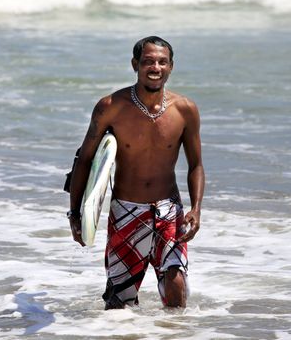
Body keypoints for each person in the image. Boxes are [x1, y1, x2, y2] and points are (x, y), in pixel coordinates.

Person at [67, 36, 204, 309]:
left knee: (176, 291)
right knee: (120, 303)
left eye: (162, 62)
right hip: (126, 211)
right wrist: (76, 213)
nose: (155, 67)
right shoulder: (111, 107)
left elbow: (196, 165)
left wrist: (196, 209)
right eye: (148, 61)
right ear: (135, 65)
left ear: (171, 66)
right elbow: (84, 160)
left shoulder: (185, 110)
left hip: (168, 209)